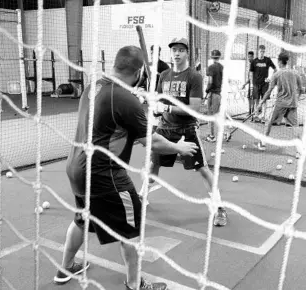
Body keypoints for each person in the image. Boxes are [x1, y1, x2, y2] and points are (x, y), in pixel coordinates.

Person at [55, 46, 199, 290]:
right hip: (104, 174)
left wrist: (137, 103)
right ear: (139, 71)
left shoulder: (93, 86)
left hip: (76, 168)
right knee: (132, 230)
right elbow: (152, 142)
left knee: (82, 219)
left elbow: (114, 119)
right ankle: (135, 284)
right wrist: (180, 148)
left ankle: (65, 267)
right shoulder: (125, 99)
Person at [149, 37, 228, 227]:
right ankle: (142, 197)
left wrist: (165, 108)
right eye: (174, 50)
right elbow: (160, 102)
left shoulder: (194, 77)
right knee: (152, 165)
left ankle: (219, 208)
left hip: (187, 130)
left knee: (202, 169)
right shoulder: (164, 75)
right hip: (165, 128)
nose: (176, 53)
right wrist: (155, 105)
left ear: (187, 53)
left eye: (180, 50)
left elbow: (194, 109)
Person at [254, 52, 303, 159]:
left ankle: (263, 144)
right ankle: (299, 152)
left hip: (280, 103)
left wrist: (260, 105)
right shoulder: (296, 73)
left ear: (280, 61)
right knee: (295, 126)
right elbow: (301, 89)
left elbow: (268, 91)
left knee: (269, 122)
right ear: (287, 61)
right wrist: (297, 99)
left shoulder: (276, 74)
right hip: (293, 104)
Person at [246, 45, 277, 123]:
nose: (262, 53)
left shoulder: (267, 60)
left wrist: (270, 78)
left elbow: (275, 69)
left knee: (264, 100)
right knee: (256, 100)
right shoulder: (254, 61)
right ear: (258, 51)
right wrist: (252, 84)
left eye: (263, 51)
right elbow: (251, 73)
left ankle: (263, 116)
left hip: (265, 84)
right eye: (260, 51)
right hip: (256, 84)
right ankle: (256, 116)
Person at [204, 49, 224, 142]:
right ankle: (225, 133)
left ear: (212, 57)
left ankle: (212, 136)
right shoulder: (221, 67)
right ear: (219, 57)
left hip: (213, 94)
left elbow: (210, 81)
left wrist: (207, 90)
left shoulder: (211, 67)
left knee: (211, 115)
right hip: (219, 94)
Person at [242, 51, 255, 116]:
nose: (249, 58)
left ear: (253, 57)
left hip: (253, 84)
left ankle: (252, 112)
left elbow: (251, 77)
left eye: (250, 57)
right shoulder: (251, 64)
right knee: (249, 97)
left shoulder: (254, 64)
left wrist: (245, 84)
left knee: (252, 98)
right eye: (248, 57)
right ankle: (250, 112)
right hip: (250, 84)